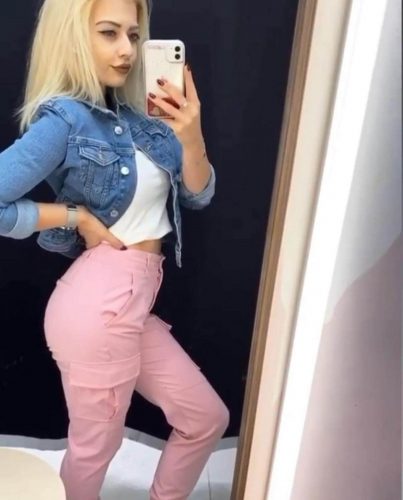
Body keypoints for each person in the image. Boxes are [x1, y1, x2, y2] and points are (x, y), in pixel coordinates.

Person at [0, 0, 230, 498]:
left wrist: (192, 138)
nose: (127, 49)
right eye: (109, 33)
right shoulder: (66, 121)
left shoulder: (143, 120)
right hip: (97, 305)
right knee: (95, 450)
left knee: (205, 417)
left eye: (133, 34)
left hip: (131, 303)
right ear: (73, 38)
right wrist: (74, 217)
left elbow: (199, 194)